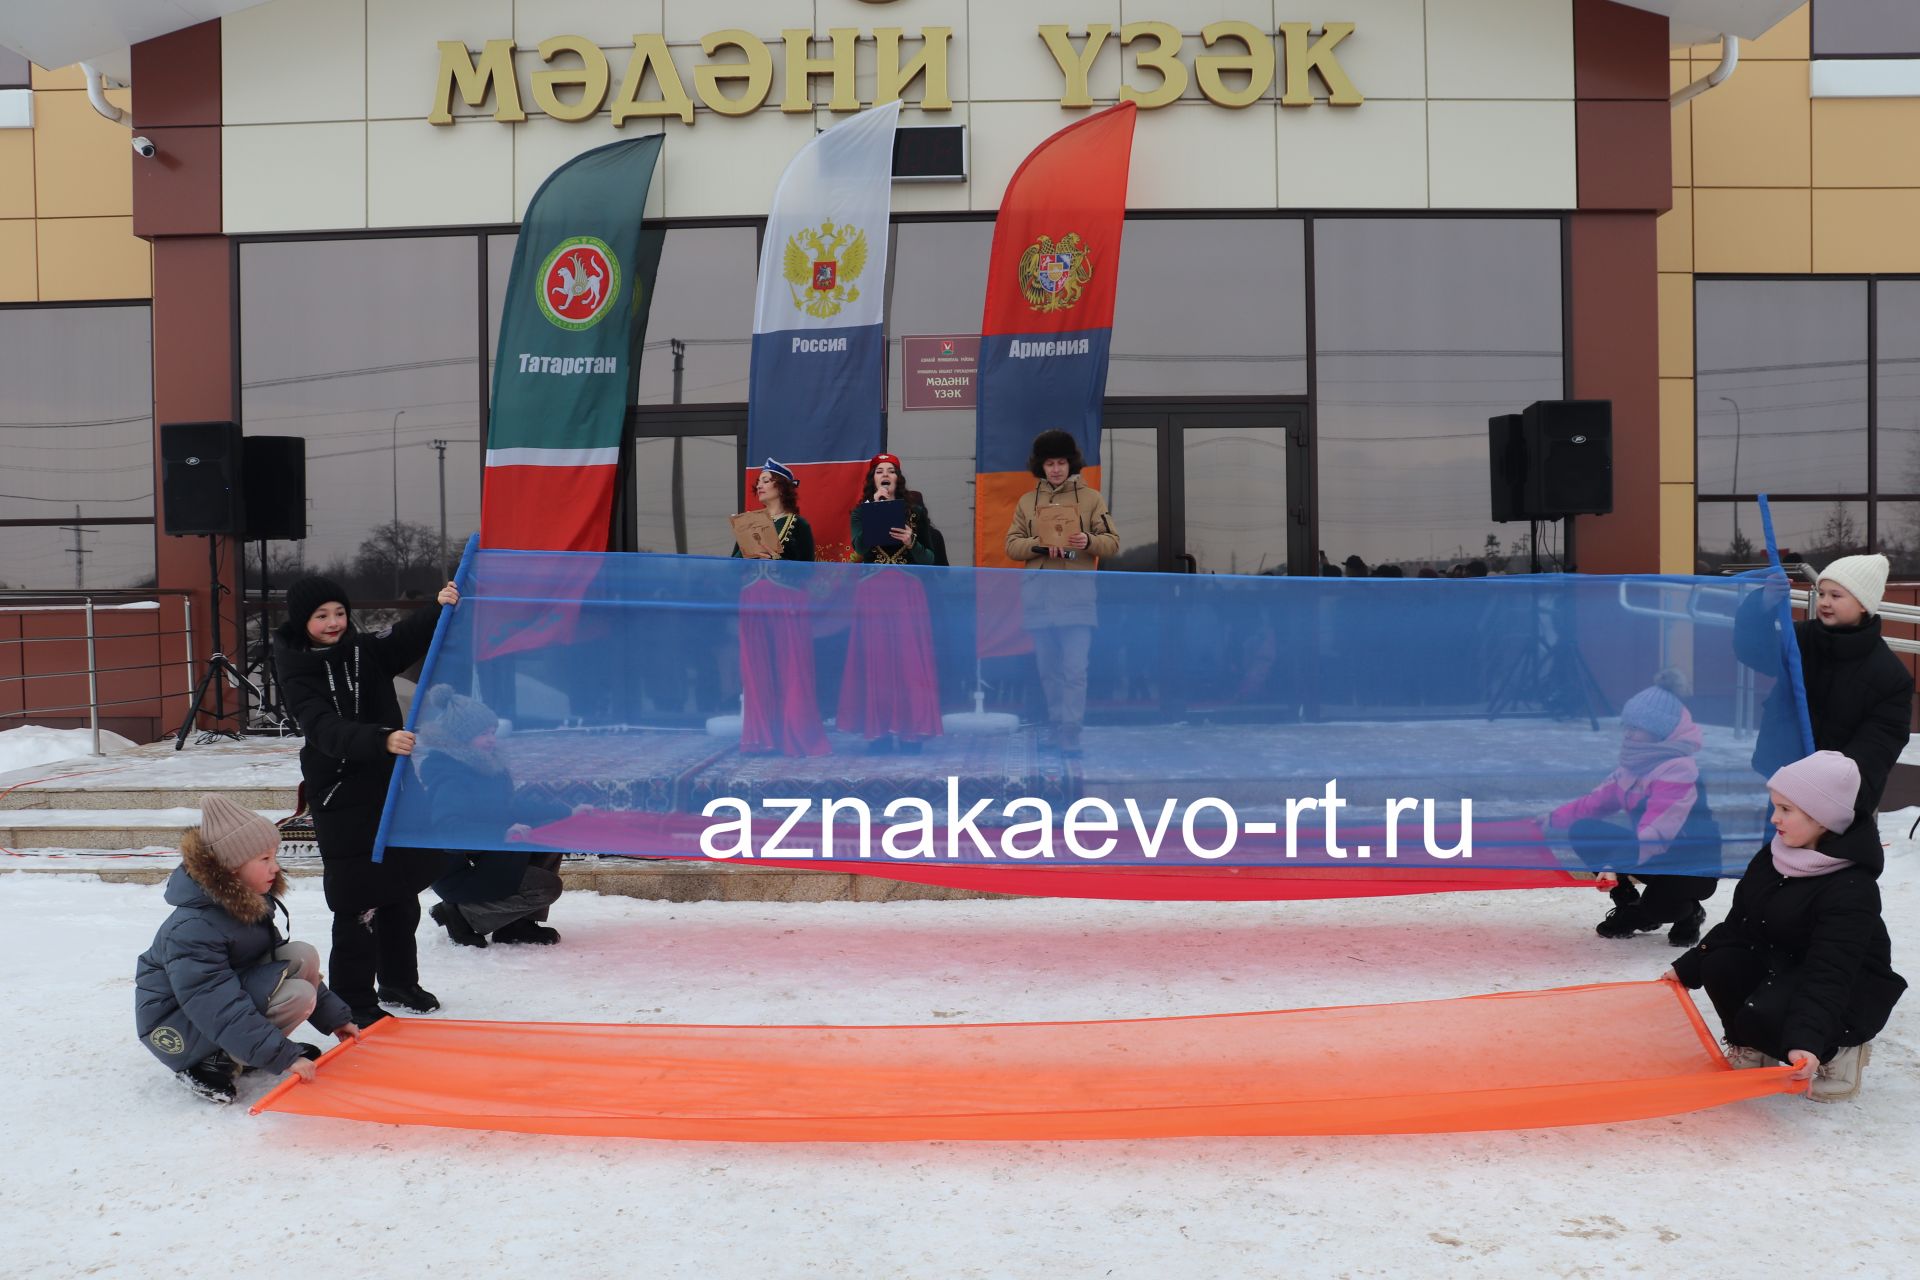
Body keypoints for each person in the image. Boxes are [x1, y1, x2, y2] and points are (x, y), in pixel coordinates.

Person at [1667, 751, 1906, 1102]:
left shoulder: (1851, 888)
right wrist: (1688, 966)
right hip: (1787, 962)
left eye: (1786, 809)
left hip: (1849, 986)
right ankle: (1752, 1047)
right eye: (1775, 806)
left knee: (1769, 1017)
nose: (1774, 818)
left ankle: (1839, 1051)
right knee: (1720, 963)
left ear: (1822, 818)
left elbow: (1830, 973)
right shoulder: (1775, 855)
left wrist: (1807, 1041)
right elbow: (1739, 925)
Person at [273, 574, 456, 1025]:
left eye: (339, 612)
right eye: (321, 616)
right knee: (358, 901)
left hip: (390, 783)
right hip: (341, 791)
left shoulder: (363, 650)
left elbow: (406, 636)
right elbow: (322, 728)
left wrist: (440, 605)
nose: (334, 622)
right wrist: (381, 738)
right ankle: (355, 999)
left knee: (401, 888)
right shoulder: (296, 667)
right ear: (303, 621)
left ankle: (398, 981)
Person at [135, 794, 360, 1103]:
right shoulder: (194, 927)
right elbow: (214, 1001)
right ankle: (214, 1061)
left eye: (274, 856)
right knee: (298, 995)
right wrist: (283, 1056)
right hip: (178, 1027)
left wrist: (335, 1018)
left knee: (301, 955)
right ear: (230, 868)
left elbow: (274, 961)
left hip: (218, 1003)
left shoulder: (248, 901)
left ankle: (246, 1051)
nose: (276, 867)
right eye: (264, 859)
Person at [1735, 553, 1913, 830]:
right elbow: (1754, 651)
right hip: (1785, 779)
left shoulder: (1890, 675)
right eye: (1821, 593)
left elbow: (1879, 745)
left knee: (1829, 868)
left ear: (1864, 604)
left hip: (1838, 801)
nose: (1825, 602)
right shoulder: (1801, 639)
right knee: (1777, 862)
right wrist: (1764, 605)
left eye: (1836, 595)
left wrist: (1830, 782)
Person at [1545, 670, 1721, 945]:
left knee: (1659, 906)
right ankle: (1628, 903)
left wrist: (1615, 861)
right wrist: (1550, 820)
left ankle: (1688, 912)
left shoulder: (1679, 771)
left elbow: (1658, 830)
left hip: (1691, 867)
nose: (1628, 733)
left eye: (1636, 728)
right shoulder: (1634, 764)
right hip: (1652, 854)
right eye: (1626, 726)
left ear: (1659, 732)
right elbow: (1595, 802)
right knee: (1584, 830)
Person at [416, 685, 570, 946]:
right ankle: (462, 914)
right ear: (460, 737)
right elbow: (449, 831)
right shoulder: (449, 778)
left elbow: (510, 806)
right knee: (547, 887)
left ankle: (517, 925)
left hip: (490, 857)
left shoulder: (486, 768)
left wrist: (566, 812)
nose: (491, 739)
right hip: (463, 873)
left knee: (551, 833)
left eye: (491, 732)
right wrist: (503, 833)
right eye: (482, 734)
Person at [1003, 429, 1120, 756]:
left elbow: (1112, 542)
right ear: (1041, 466)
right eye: (1050, 463)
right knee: (1049, 671)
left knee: (1074, 669)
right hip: (1039, 598)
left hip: (1077, 599)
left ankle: (1071, 732)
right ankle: (1056, 727)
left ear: (1071, 464)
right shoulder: (1027, 502)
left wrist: (1088, 541)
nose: (1055, 469)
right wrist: (1039, 546)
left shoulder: (1092, 498)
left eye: (1061, 462)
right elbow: (1011, 546)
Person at [838, 453, 944, 754]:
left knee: (908, 660)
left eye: (891, 471)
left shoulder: (916, 513)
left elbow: (930, 560)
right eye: (879, 472)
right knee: (876, 660)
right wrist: (876, 514)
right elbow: (859, 548)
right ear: (873, 480)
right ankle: (879, 732)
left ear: (898, 479)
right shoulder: (860, 512)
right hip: (872, 593)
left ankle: (912, 732)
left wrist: (912, 542)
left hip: (907, 593)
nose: (885, 475)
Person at [732, 459, 828, 756]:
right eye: (758, 481)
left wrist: (777, 559)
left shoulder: (799, 525)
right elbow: (733, 566)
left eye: (766, 480)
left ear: (781, 487)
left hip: (786, 599)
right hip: (753, 599)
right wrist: (746, 557)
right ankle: (763, 737)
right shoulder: (750, 521)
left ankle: (795, 735)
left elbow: (807, 570)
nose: (759, 485)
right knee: (756, 668)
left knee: (791, 665)